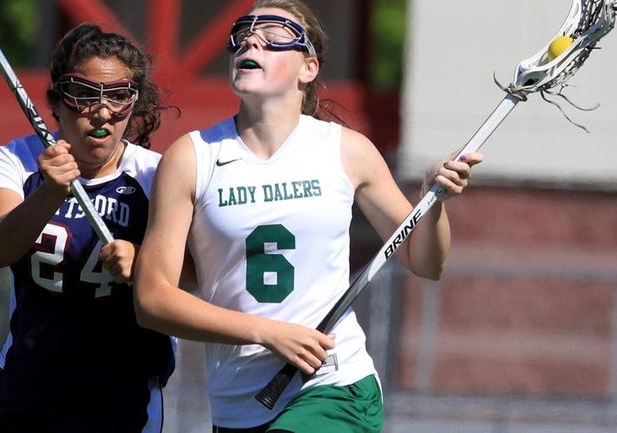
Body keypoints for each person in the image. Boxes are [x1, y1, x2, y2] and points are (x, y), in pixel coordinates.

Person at [133, 1, 484, 432]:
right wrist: (266, 331)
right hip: (237, 401)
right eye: (243, 35)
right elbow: (152, 300)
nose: (251, 41)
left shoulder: (346, 149)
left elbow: (425, 262)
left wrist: (435, 203)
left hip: (334, 384)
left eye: (274, 36)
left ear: (308, 68)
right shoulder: (192, 157)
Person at [0, 23, 174, 433]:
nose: (101, 112)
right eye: (83, 95)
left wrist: (145, 262)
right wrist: (48, 193)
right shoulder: (14, 160)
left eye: (118, 96)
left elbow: (195, 270)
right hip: (31, 377)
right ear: (56, 102)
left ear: (135, 105)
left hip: (124, 384)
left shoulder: (157, 175)